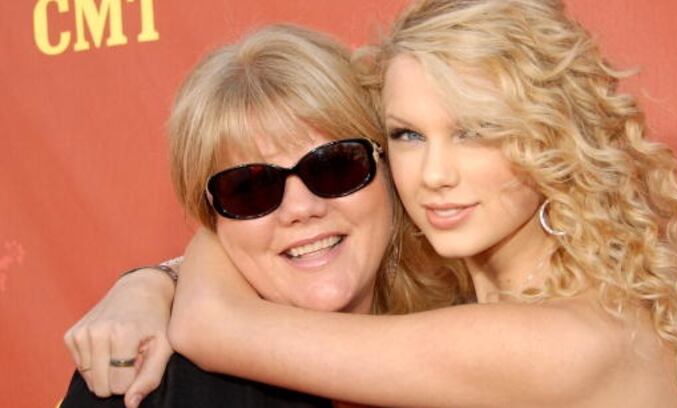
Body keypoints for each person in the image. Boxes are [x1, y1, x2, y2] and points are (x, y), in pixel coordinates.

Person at [68, 0, 677, 407]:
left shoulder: (566, 341)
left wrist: (173, 263)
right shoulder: (456, 301)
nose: (434, 173)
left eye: (476, 131)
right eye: (408, 136)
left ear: (554, 139)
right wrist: (152, 279)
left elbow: (218, 325)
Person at [61, 23, 467, 408]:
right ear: (213, 220)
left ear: (389, 168)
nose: (301, 209)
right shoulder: (148, 382)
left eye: (334, 165)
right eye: (250, 189)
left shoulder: (477, 335)